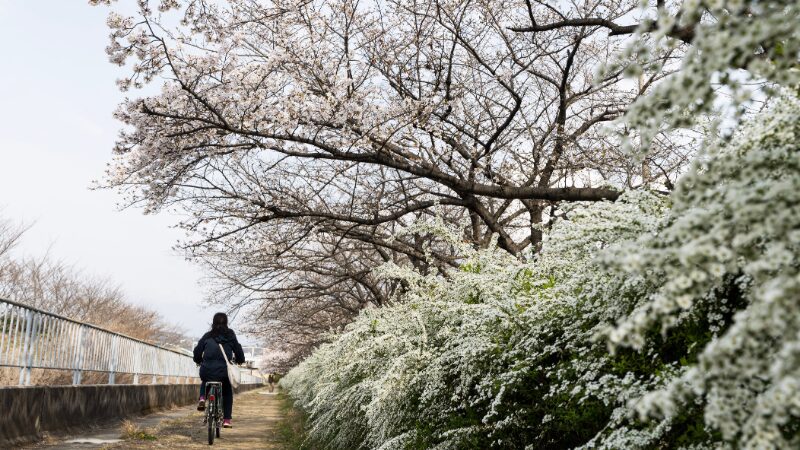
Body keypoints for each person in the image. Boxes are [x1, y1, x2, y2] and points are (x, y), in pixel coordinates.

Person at [193, 312, 245, 428]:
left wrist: (198, 360)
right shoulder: (230, 335)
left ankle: (202, 398)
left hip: (206, 369)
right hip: (223, 372)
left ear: (213, 322)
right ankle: (226, 420)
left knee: (205, 380)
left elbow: (197, 351)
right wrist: (240, 360)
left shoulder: (208, 335)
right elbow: (238, 350)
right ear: (226, 322)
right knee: (227, 391)